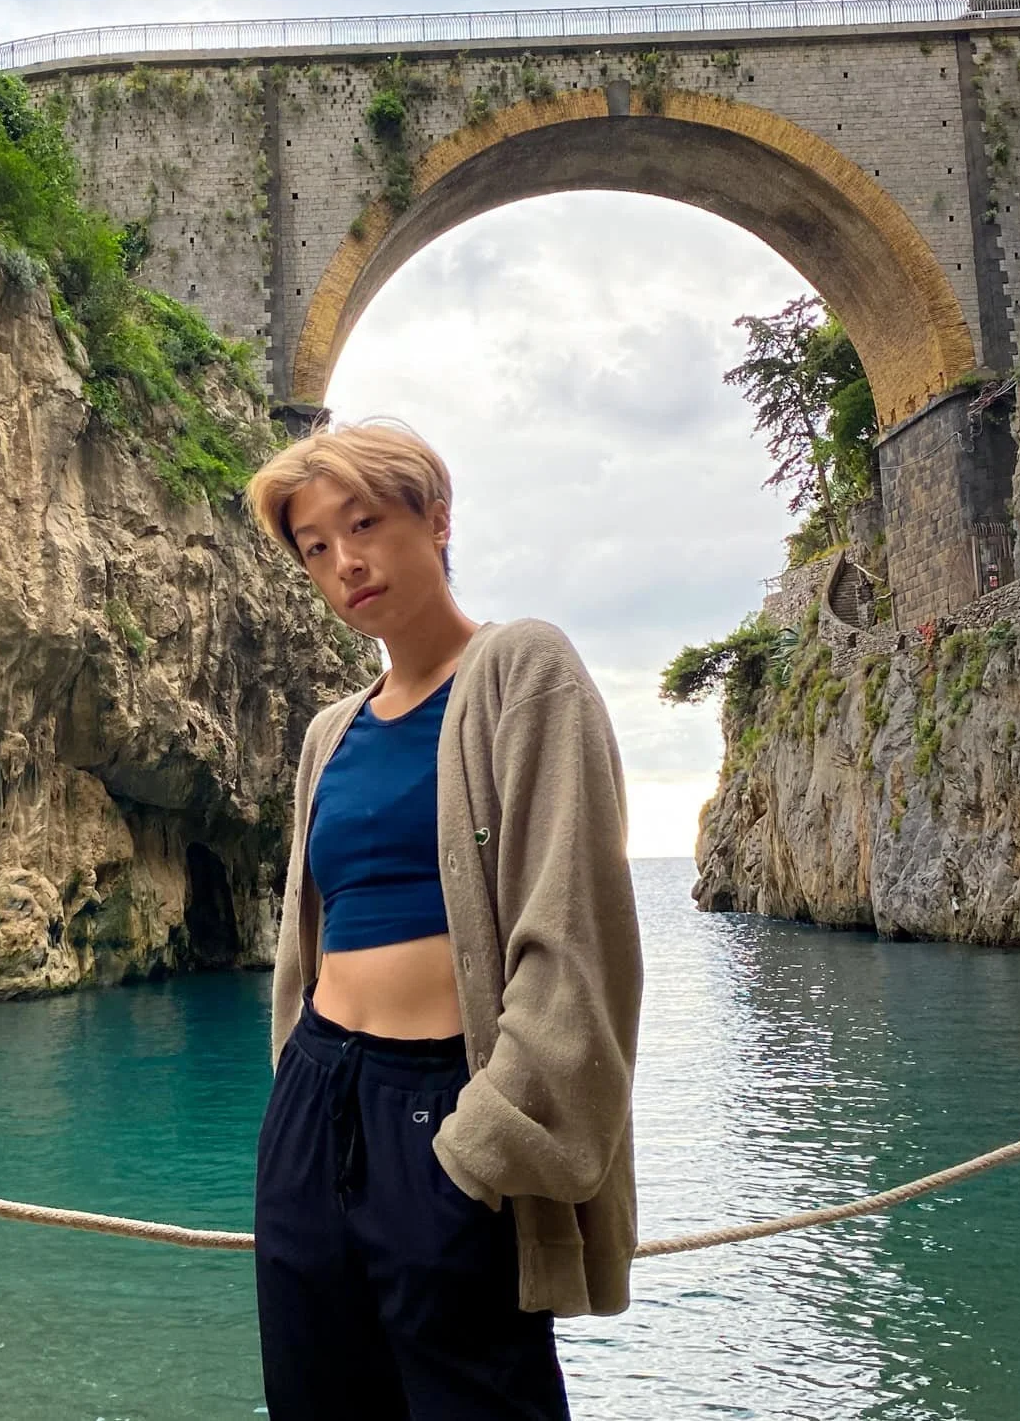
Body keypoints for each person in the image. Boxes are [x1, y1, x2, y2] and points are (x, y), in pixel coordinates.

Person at [243, 416, 644, 1421]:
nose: (345, 563)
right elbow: (307, 941)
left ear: (436, 517)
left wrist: (478, 1153)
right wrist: (294, 1097)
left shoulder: (523, 670)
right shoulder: (329, 733)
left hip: (444, 1112)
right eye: (315, 548)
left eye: (363, 524)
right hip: (314, 1108)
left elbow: (574, 936)